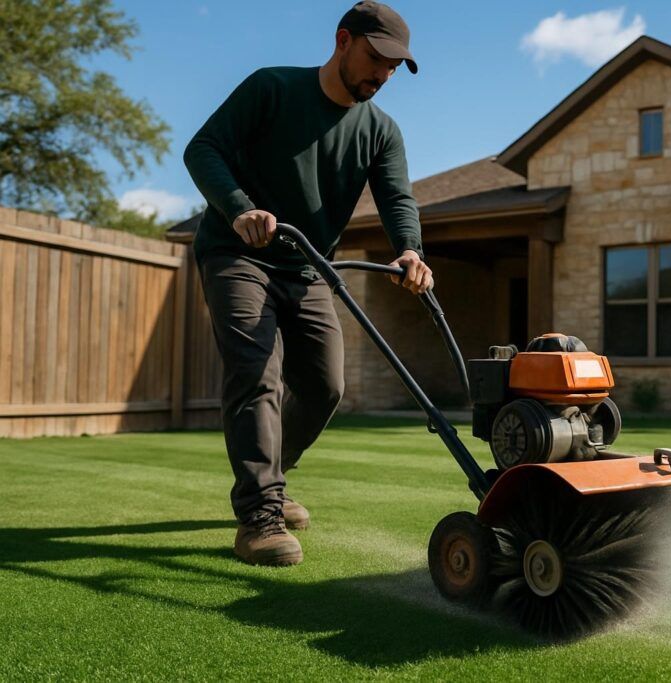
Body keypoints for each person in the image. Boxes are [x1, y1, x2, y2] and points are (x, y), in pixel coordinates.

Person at [184, 1, 431, 567]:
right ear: (343, 40)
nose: (383, 75)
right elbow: (203, 149)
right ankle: (259, 514)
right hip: (237, 254)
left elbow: (397, 198)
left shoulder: (380, 131)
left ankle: (273, 474)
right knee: (256, 371)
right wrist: (238, 208)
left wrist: (410, 250)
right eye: (376, 59)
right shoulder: (271, 88)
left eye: (394, 68)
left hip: (308, 264)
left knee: (325, 386)